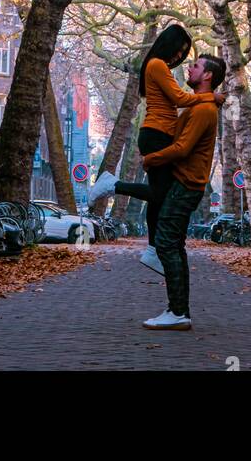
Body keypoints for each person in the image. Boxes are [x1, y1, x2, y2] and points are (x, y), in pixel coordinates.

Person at [88, 24, 223, 274]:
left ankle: (151, 250)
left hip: (160, 134)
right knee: (161, 194)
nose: (179, 58)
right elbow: (180, 99)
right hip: (156, 134)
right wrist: (210, 97)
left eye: (183, 55)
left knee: (159, 193)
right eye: (179, 51)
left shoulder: (160, 67)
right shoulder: (157, 65)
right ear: (168, 43)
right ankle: (113, 186)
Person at [142, 52, 226, 330]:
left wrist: (150, 159)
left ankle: (178, 312)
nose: (189, 69)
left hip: (187, 184)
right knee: (175, 245)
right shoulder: (198, 106)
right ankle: (179, 311)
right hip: (185, 182)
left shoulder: (203, 110)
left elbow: (182, 148)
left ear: (208, 76)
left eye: (196, 66)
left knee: (166, 243)